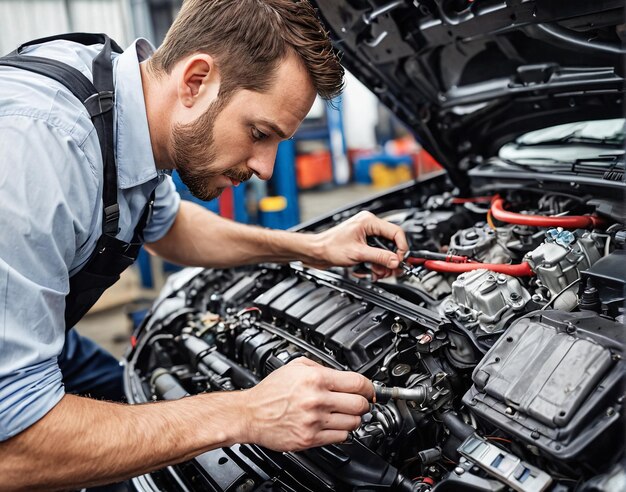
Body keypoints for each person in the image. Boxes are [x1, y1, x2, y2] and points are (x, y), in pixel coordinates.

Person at [0, 0, 408, 489]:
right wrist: (248, 412)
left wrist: (314, 246)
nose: (265, 168)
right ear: (195, 81)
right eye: (259, 133)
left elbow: (171, 228)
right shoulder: (38, 150)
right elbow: (14, 447)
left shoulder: (126, 104)